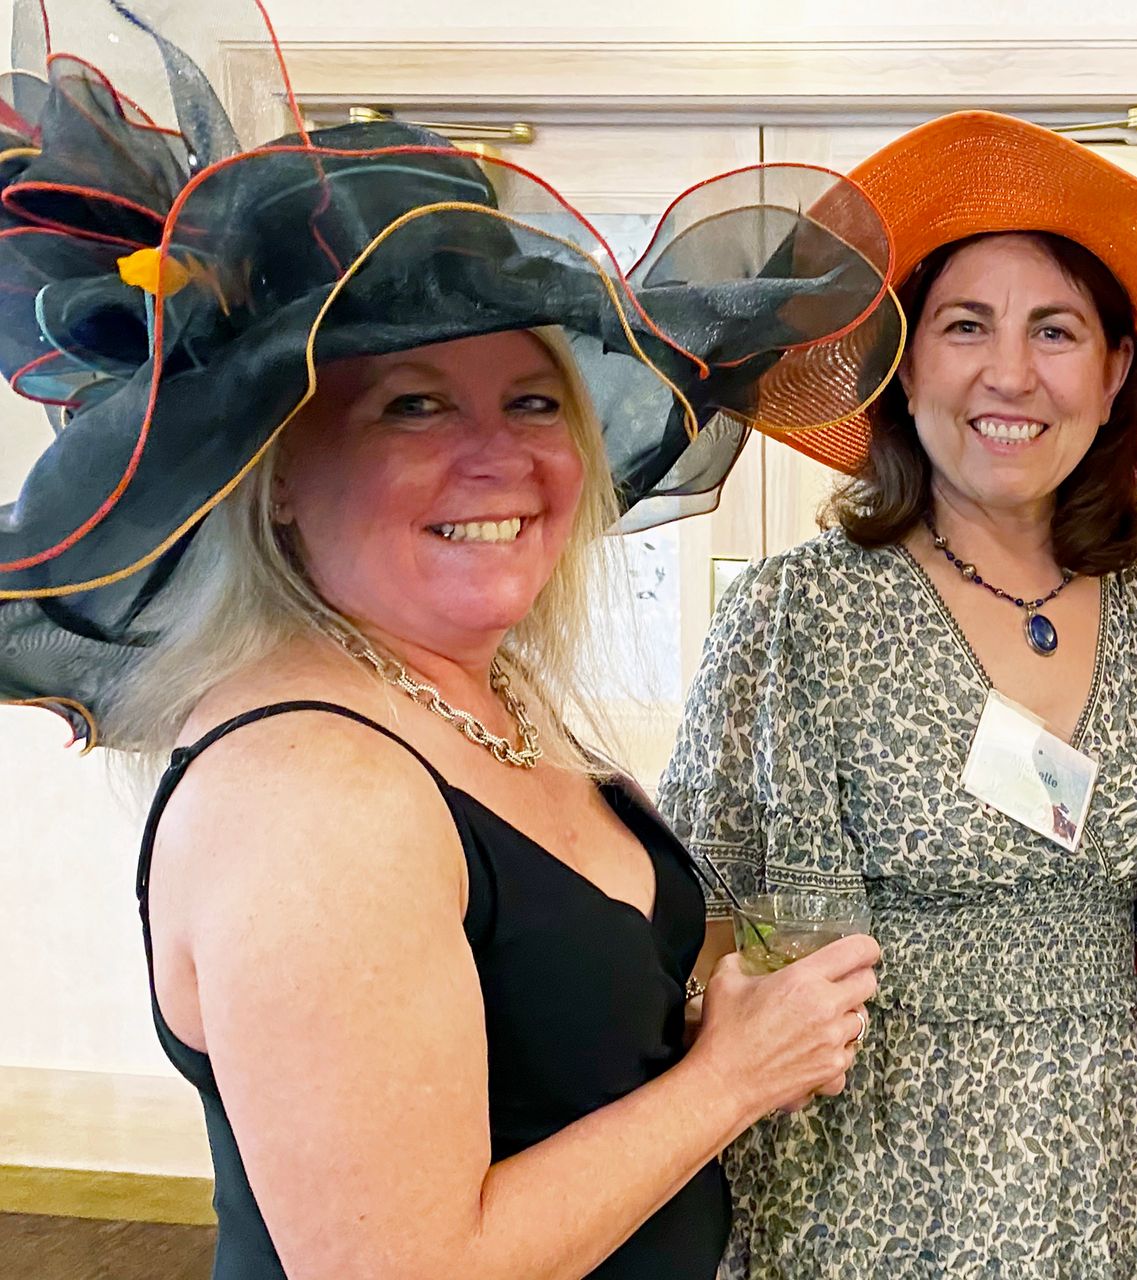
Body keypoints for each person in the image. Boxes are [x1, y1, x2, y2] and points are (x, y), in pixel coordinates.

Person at [0, 6, 898, 1277]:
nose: (503, 456)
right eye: (414, 405)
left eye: (532, 399)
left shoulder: (473, 694)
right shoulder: (309, 794)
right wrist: (732, 1077)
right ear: (280, 477)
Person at [657, 111, 1137, 1278]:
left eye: (1055, 330)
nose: (1010, 373)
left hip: (1087, 1182)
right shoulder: (798, 618)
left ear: (1114, 375)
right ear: (903, 361)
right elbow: (710, 933)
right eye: (967, 326)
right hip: (860, 1196)